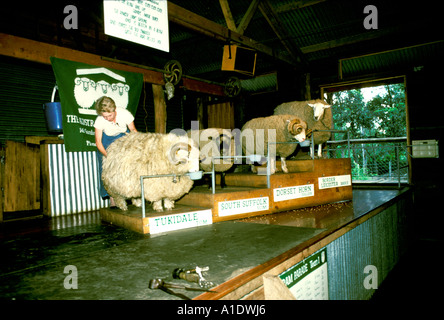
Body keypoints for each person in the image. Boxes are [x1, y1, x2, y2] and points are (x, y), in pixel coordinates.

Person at [94, 96, 137, 207]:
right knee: (106, 171)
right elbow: (98, 143)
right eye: (105, 116)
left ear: (114, 110)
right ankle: (112, 198)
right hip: (106, 141)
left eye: (110, 115)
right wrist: (109, 157)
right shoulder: (99, 120)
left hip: (123, 137)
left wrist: (136, 145)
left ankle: (131, 194)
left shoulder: (124, 114)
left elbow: (133, 130)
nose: (107, 118)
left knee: (128, 167)